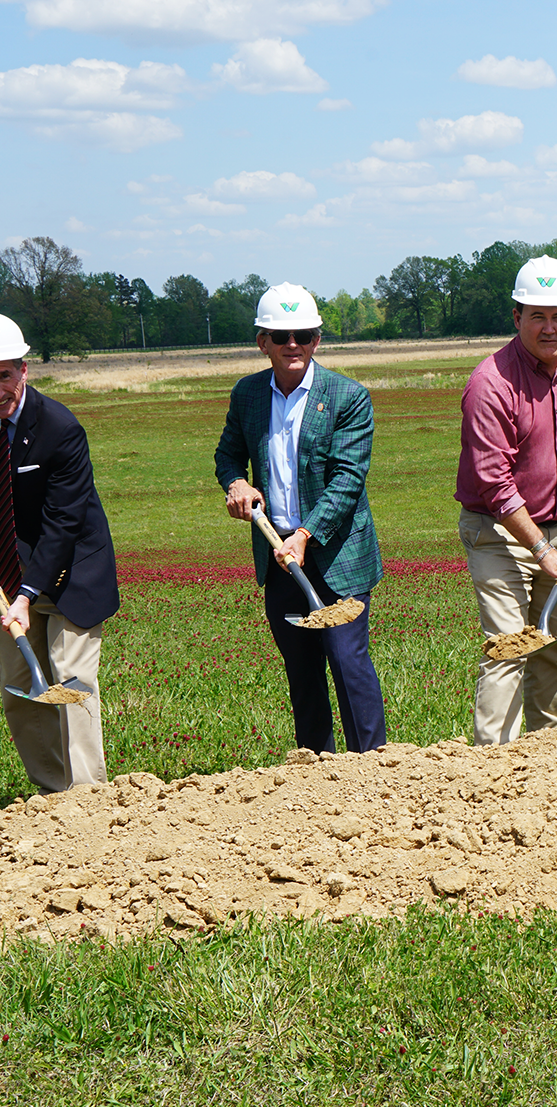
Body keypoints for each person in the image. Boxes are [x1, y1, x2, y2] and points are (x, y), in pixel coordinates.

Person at [215, 283, 386, 754]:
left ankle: (373, 768)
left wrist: (307, 534)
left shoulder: (347, 396)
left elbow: (347, 480)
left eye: (305, 335)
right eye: (282, 335)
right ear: (262, 342)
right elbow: (228, 455)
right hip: (278, 552)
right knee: (301, 668)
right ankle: (315, 774)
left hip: (336, 553)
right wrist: (236, 483)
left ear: (317, 340)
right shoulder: (248, 394)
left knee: (348, 662)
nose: (294, 345)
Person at [457, 256, 557, 745]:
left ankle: (548, 757)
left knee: (551, 643)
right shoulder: (490, 384)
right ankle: (494, 765)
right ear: (515, 317)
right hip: (499, 532)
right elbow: (494, 482)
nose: (549, 328)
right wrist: (542, 552)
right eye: (537, 316)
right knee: (509, 648)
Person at [0, 310, 118, 793]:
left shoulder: (60, 428)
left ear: (24, 370)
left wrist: (26, 595)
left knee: (70, 682)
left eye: (5, 375)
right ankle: (51, 796)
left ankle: (88, 801)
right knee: (21, 686)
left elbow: (63, 523)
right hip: (11, 570)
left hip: (73, 570)